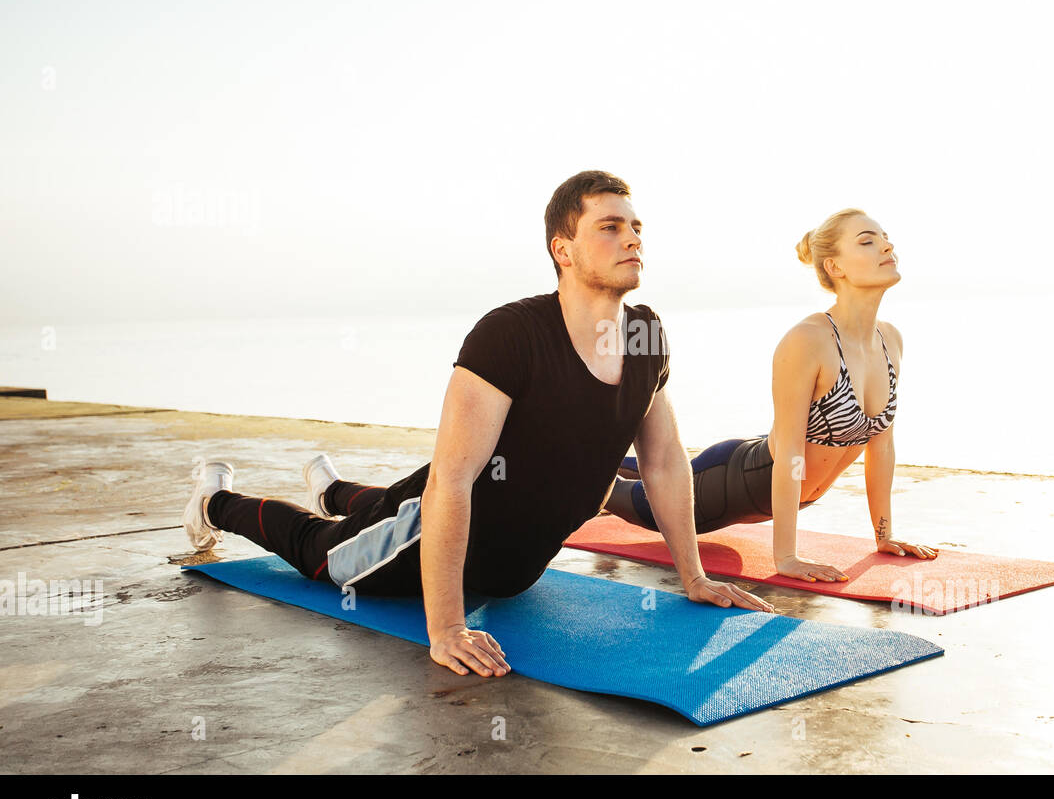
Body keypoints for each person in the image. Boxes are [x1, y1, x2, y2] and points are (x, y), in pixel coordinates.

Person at [181, 170, 773, 680]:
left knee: (390, 508)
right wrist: (445, 627)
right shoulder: (511, 335)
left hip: (513, 568)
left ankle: (335, 489)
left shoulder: (646, 333)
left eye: (637, 228)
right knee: (324, 556)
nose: (633, 239)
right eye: (611, 227)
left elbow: (665, 461)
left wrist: (693, 575)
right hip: (442, 531)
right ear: (562, 250)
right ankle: (215, 501)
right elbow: (452, 481)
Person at [603, 207, 937, 583]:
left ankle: (620, 459)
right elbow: (792, 453)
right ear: (835, 267)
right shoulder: (808, 340)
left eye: (884, 237)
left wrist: (884, 534)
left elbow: (882, 447)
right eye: (867, 240)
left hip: (777, 475)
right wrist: (787, 557)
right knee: (614, 493)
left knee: (644, 468)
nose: (886, 245)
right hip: (739, 483)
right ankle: (577, 458)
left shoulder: (890, 339)